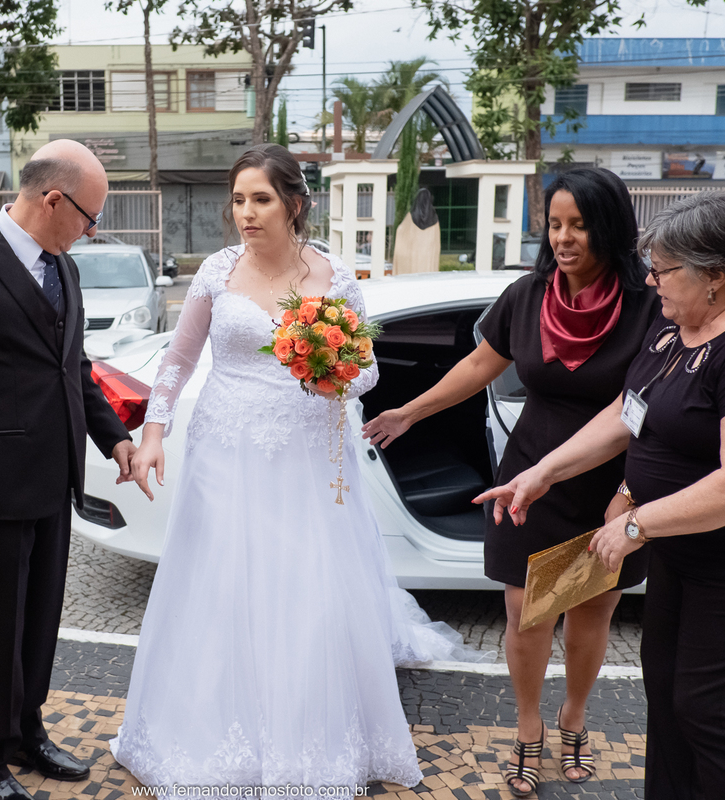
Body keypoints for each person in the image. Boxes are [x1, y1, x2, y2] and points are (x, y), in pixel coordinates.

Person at [110, 143, 488, 796]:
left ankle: (308, 737)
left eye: (260, 199)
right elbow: (176, 360)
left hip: (307, 452)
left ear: (294, 204)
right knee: (220, 585)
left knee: (303, 586)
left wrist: (332, 370)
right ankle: (212, 730)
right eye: (238, 200)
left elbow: (366, 369)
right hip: (225, 446)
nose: (246, 213)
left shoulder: (333, 277)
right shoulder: (216, 274)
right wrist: (153, 433)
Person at [481, 191, 725, 800]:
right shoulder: (679, 331)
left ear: (716, 274)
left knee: (709, 711)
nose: (650, 280)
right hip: (685, 550)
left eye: (664, 269)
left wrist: (636, 525)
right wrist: (544, 472)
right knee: (667, 698)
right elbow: (627, 415)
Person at [362, 167, 660, 796]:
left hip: (613, 481)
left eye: (578, 225)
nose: (563, 238)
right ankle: (529, 728)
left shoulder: (648, 308)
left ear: (609, 227)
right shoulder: (529, 295)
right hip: (530, 476)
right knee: (526, 616)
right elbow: (478, 364)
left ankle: (574, 716)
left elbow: (648, 407)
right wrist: (408, 411)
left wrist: (630, 496)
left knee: (588, 614)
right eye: (554, 224)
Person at [0, 139, 137, 800]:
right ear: (53, 200)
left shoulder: (62, 268)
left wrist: (112, 437)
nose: (92, 232)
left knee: (38, 624)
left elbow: (75, 369)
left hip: (50, 480)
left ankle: (27, 732)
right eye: (91, 218)